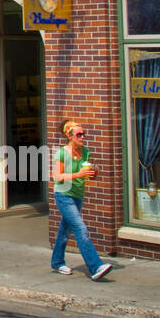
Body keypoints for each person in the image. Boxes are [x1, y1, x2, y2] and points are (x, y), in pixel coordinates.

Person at [50, 120, 112, 280]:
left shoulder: (85, 151)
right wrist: (79, 174)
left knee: (65, 230)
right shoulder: (62, 153)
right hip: (64, 195)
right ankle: (95, 266)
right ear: (69, 136)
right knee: (80, 228)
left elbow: (89, 171)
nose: (83, 137)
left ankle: (57, 262)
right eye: (79, 134)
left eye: (84, 134)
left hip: (78, 194)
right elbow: (57, 177)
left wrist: (95, 171)